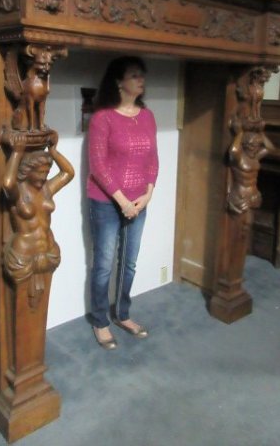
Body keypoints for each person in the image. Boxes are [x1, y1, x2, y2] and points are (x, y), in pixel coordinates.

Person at [87, 56, 159, 349]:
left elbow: (153, 159)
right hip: (106, 202)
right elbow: (98, 166)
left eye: (142, 75)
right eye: (134, 75)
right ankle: (100, 320)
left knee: (129, 263)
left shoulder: (147, 116)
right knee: (104, 265)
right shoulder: (102, 117)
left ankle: (123, 314)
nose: (141, 80)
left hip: (139, 201)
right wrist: (122, 201)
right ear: (118, 82)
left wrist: (148, 194)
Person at [2, 131, 74, 307]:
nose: (43, 176)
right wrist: (17, 152)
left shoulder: (46, 189)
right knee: (21, 304)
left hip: (49, 250)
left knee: (40, 303)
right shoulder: (19, 192)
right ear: (28, 171)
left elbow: (68, 173)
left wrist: (53, 152)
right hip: (24, 254)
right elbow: (7, 184)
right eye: (39, 172)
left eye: (46, 172)